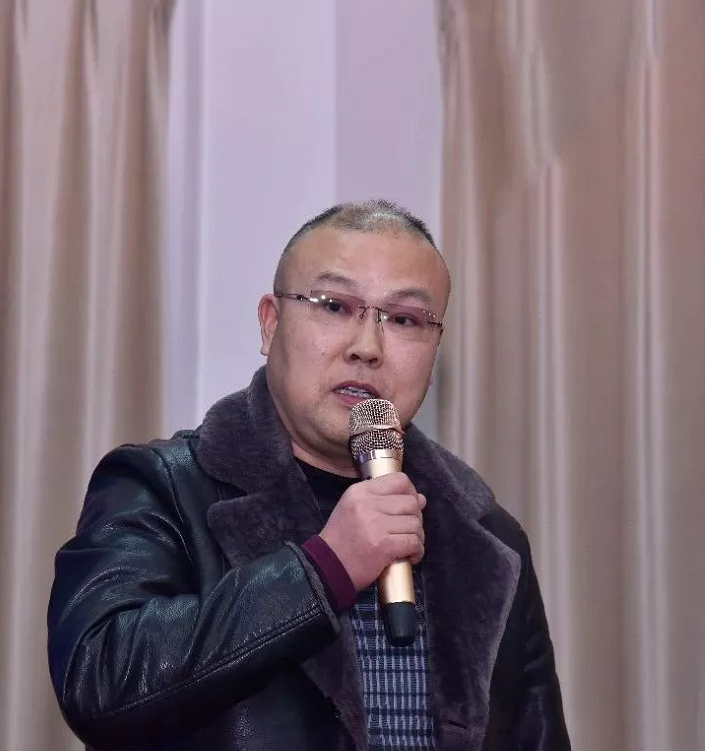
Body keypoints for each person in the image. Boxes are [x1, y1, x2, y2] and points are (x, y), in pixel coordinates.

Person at [48, 200, 571, 751]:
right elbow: (98, 682)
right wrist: (323, 569)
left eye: (404, 320)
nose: (367, 348)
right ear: (270, 324)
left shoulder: (487, 535)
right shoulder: (162, 486)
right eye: (334, 306)